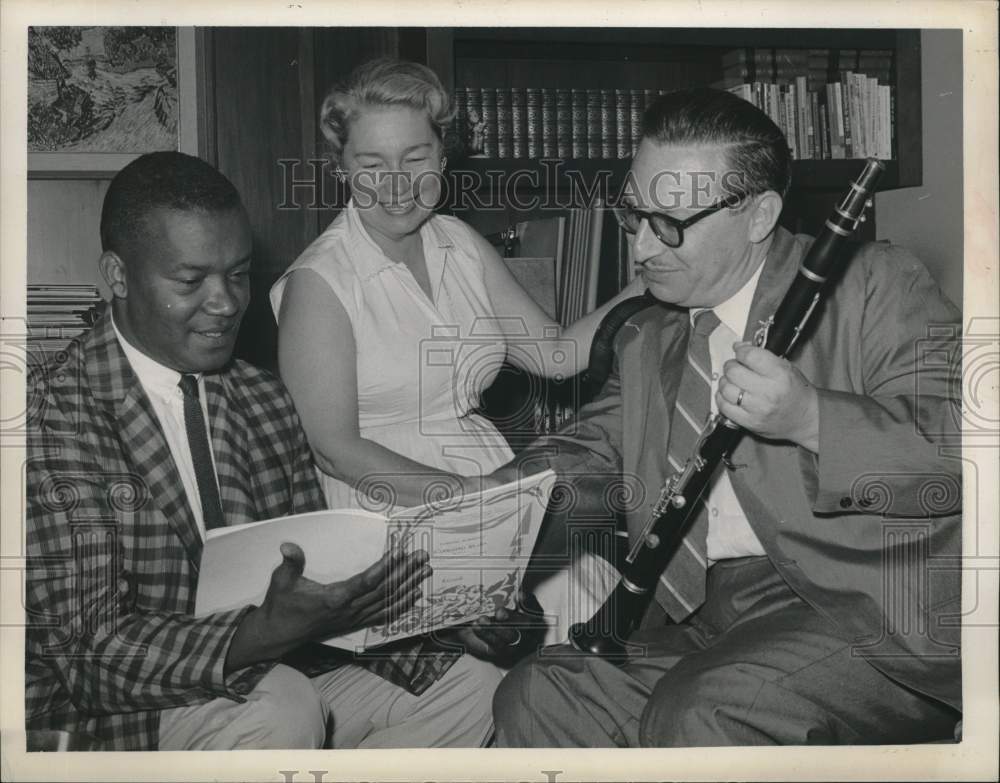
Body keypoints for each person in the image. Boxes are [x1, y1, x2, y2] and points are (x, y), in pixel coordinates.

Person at [490, 87, 963, 746]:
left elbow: (966, 451)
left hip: (865, 615)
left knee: (703, 710)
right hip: (707, 616)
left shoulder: (877, 283)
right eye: (634, 217)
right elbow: (575, 462)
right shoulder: (647, 335)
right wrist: (468, 545)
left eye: (671, 224)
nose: (640, 252)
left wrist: (810, 417)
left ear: (759, 213)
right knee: (542, 693)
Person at [24, 151, 502, 752]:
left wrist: (452, 615)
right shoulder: (49, 413)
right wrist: (256, 635)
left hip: (277, 675)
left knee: (471, 683)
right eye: (191, 281)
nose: (225, 302)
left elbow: (325, 578)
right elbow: (90, 656)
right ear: (117, 276)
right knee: (281, 704)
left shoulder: (265, 396)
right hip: (117, 711)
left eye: (240, 274)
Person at [270, 58, 642, 644]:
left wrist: (646, 281)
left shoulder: (460, 243)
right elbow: (334, 449)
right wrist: (476, 499)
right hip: (390, 515)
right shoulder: (319, 282)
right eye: (372, 164)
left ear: (443, 158)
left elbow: (556, 355)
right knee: (554, 655)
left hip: (490, 492)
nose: (397, 184)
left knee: (599, 634)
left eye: (416, 159)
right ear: (342, 169)